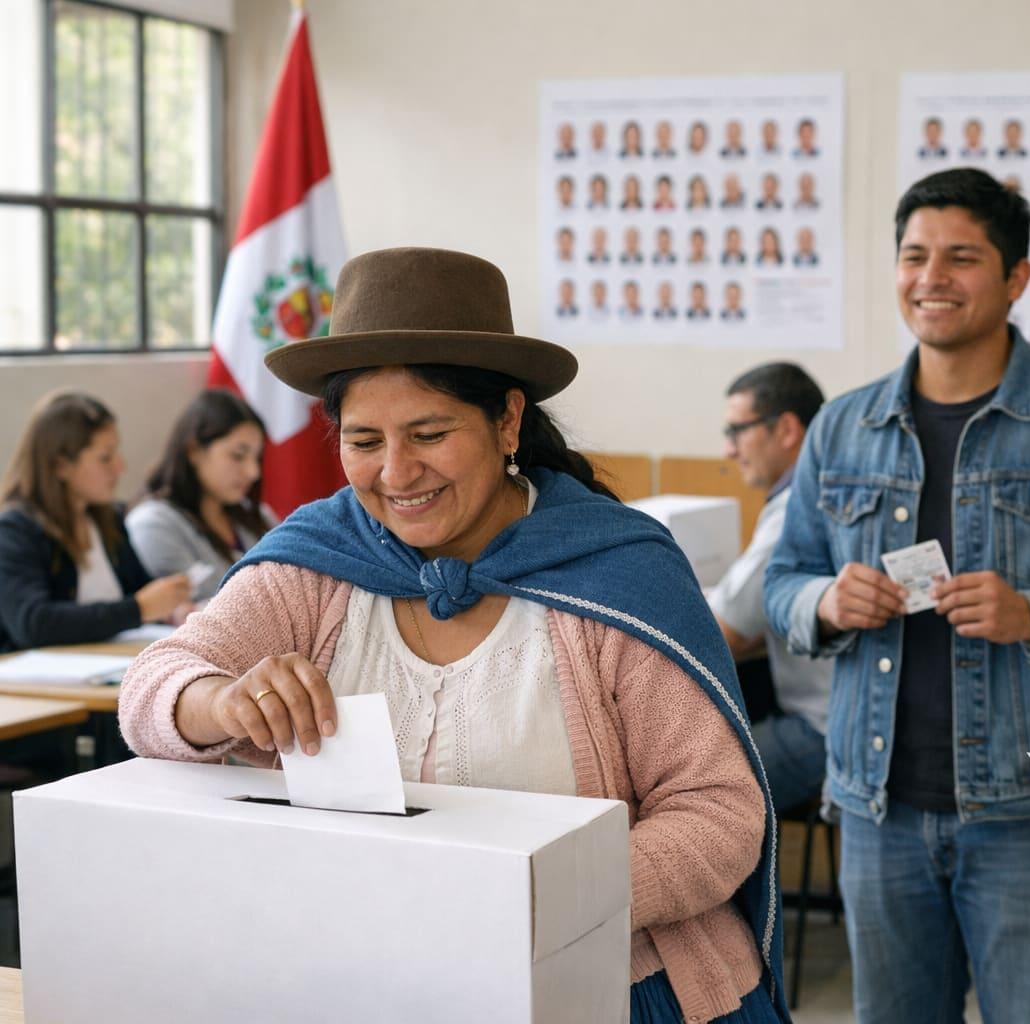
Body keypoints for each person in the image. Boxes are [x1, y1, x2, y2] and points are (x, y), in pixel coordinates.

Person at [118, 247, 788, 1024]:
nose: (397, 474)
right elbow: (154, 683)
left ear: (506, 419)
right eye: (364, 442)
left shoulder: (612, 571)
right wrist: (219, 702)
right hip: (378, 985)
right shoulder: (319, 561)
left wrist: (532, 898)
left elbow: (718, 811)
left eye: (429, 434)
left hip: (623, 991)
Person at [764, 168, 1030, 1024]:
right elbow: (780, 583)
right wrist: (824, 601)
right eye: (915, 255)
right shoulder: (844, 427)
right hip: (875, 808)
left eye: (961, 258)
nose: (932, 277)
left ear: (1016, 278)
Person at [710, 363, 831, 812]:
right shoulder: (823, 487)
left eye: (736, 431)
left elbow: (726, 631)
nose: (728, 450)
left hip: (823, 729)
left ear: (785, 429)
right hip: (843, 720)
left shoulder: (796, 508)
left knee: (701, 789)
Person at [0, 393, 192, 651]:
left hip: (111, 664)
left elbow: (141, 589)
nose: (120, 467)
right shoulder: (14, 529)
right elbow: (32, 623)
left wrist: (172, 607)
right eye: (105, 457)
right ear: (61, 466)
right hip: (39, 683)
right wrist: (139, 608)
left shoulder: (108, 518)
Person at [129, 390, 276, 604]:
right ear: (194, 451)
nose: (253, 472)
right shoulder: (153, 523)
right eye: (238, 455)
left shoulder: (259, 515)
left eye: (256, 458)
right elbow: (191, 609)